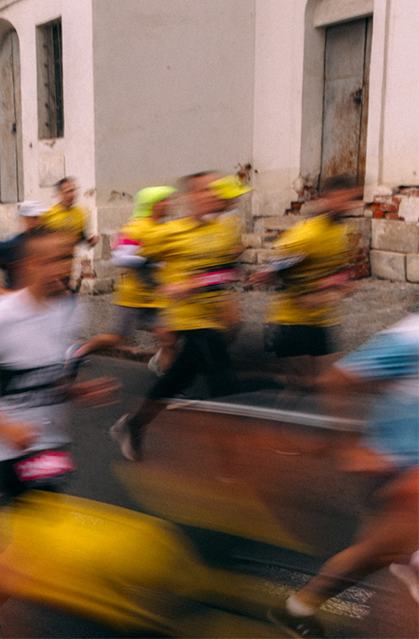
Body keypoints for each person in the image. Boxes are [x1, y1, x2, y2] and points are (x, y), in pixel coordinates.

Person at [0, 228, 119, 639]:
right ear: (24, 267)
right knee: (37, 542)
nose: (62, 268)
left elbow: (48, 375)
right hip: (9, 445)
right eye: (51, 259)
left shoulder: (68, 310)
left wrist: (78, 390)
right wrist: (2, 426)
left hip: (47, 441)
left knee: (28, 536)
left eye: (66, 258)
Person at [268, 314, 419, 638]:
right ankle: (298, 608)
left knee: (377, 552)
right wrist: (349, 448)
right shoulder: (413, 335)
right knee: (374, 552)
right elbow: (338, 379)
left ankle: (300, 608)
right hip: (401, 471)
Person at [109, 172, 244, 462]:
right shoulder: (170, 231)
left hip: (212, 317)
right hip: (190, 321)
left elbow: (222, 270)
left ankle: (132, 425)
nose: (214, 194)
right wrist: (164, 285)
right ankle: (230, 459)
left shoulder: (220, 229)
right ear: (191, 197)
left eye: (216, 190)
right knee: (225, 386)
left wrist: (224, 289)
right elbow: (125, 255)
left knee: (172, 382)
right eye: (206, 190)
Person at [255, 180, 360, 398]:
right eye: (340, 198)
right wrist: (323, 292)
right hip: (290, 323)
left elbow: (338, 272)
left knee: (329, 384)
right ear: (326, 199)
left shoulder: (342, 232)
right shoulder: (307, 233)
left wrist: (342, 283)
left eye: (351, 200)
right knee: (302, 385)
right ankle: (273, 420)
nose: (345, 205)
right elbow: (274, 269)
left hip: (322, 321)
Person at [76, 187, 177, 371]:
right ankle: (80, 351)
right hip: (132, 298)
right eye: (164, 200)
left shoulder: (167, 228)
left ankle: (166, 379)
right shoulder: (135, 227)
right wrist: (147, 261)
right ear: (154, 204)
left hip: (156, 297)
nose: (169, 204)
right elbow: (118, 257)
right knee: (117, 338)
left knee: (168, 339)